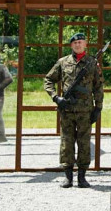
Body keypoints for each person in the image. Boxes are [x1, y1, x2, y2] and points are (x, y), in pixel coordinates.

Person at [44, 31, 103, 188]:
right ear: (71, 45)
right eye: (75, 43)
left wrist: (98, 107)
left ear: (85, 44)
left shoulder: (92, 63)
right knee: (67, 142)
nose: (78, 45)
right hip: (67, 110)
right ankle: (68, 176)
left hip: (85, 111)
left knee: (84, 143)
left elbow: (98, 87)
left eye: (81, 42)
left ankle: (82, 176)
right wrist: (56, 97)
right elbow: (48, 80)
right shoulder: (63, 62)